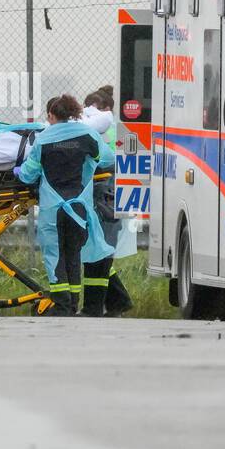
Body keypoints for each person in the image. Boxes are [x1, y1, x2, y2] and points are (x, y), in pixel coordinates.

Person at [15, 94, 114, 316]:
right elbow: (107, 158)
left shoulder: (43, 139)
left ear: (51, 115)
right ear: (74, 113)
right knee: (73, 255)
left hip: (53, 209)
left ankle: (61, 305)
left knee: (55, 256)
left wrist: (18, 172)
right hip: (79, 208)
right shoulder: (88, 134)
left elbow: (29, 175)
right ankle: (72, 305)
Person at [79, 89, 135, 318]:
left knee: (97, 257)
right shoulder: (119, 130)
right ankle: (118, 301)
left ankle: (94, 308)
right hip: (111, 199)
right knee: (99, 254)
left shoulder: (103, 131)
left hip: (105, 201)